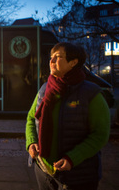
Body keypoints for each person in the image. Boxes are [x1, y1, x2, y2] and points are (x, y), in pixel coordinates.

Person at [25, 42, 110, 190]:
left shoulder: (91, 94)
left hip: (78, 177)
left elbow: (100, 134)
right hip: (44, 172)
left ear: (73, 62)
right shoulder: (45, 89)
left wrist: (73, 158)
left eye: (57, 57)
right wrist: (31, 142)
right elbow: (31, 119)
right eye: (51, 57)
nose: (51, 61)